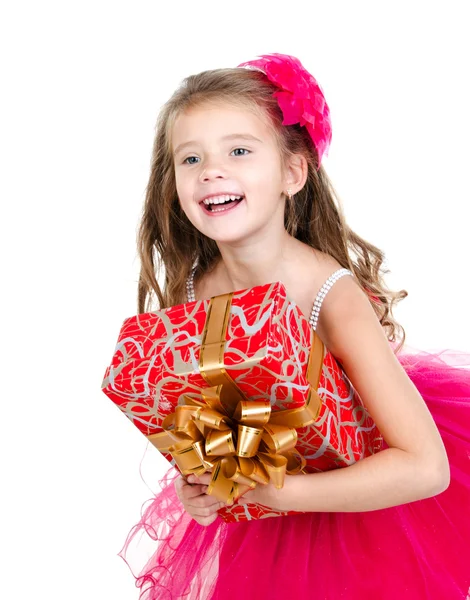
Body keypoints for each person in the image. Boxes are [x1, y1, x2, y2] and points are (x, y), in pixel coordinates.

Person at [117, 54, 470, 599]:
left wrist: (278, 495)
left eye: (238, 150)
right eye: (191, 158)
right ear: (174, 184)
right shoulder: (191, 295)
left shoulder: (330, 297)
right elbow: (224, 431)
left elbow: (427, 469)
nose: (211, 169)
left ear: (292, 172)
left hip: (362, 513)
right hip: (266, 526)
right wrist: (203, 492)